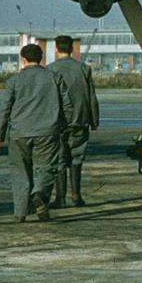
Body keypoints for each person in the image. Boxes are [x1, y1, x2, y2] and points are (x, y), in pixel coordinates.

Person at [0, 43, 73, 222]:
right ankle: (39, 194)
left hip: (19, 132)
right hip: (48, 132)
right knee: (47, 168)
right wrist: (62, 126)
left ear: (23, 59)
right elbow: (67, 105)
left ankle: (20, 213)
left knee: (20, 171)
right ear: (41, 58)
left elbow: (4, 109)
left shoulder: (14, 81)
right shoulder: (55, 77)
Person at [49, 35, 100, 207]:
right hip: (80, 119)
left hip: (58, 122)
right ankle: (76, 196)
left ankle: (60, 198)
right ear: (72, 49)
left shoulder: (50, 69)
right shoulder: (84, 68)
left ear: (56, 48)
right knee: (77, 158)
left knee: (60, 159)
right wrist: (94, 120)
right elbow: (91, 96)